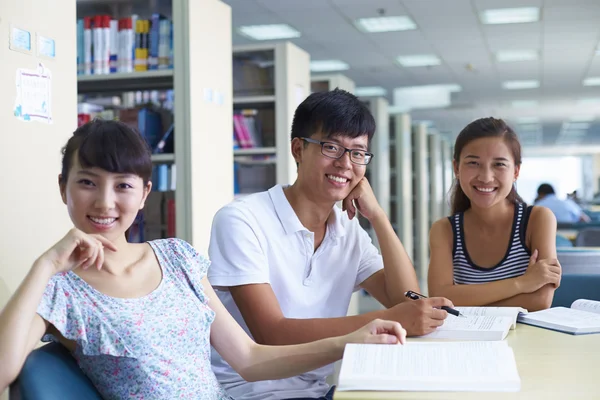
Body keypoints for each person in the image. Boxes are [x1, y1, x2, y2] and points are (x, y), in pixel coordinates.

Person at [0, 120, 408, 399]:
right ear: (63, 188)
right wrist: (45, 264)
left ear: (144, 194)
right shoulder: (59, 290)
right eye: (87, 183)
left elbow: (249, 359)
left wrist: (349, 342)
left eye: (122, 186)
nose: (105, 202)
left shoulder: (176, 258)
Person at [208, 89, 452, 400]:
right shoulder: (241, 220)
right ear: (298, 149)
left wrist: (377, 217)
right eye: (332, 147)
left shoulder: (347, 229)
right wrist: (387, 321)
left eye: (358, 152)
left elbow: (402, 298)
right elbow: (272, 333)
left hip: (320, 392)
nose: (345, 164)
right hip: (246, 394)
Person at [427, 117, 561, 312]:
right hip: (467, 341)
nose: (486, 177)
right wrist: (522, 283)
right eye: (473, 163)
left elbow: (541, 300)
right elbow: (441, 297)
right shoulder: (445, 230)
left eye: (499, 164)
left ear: (516, 171)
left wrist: (466, 301)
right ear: (456, 168)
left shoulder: (537, 219)